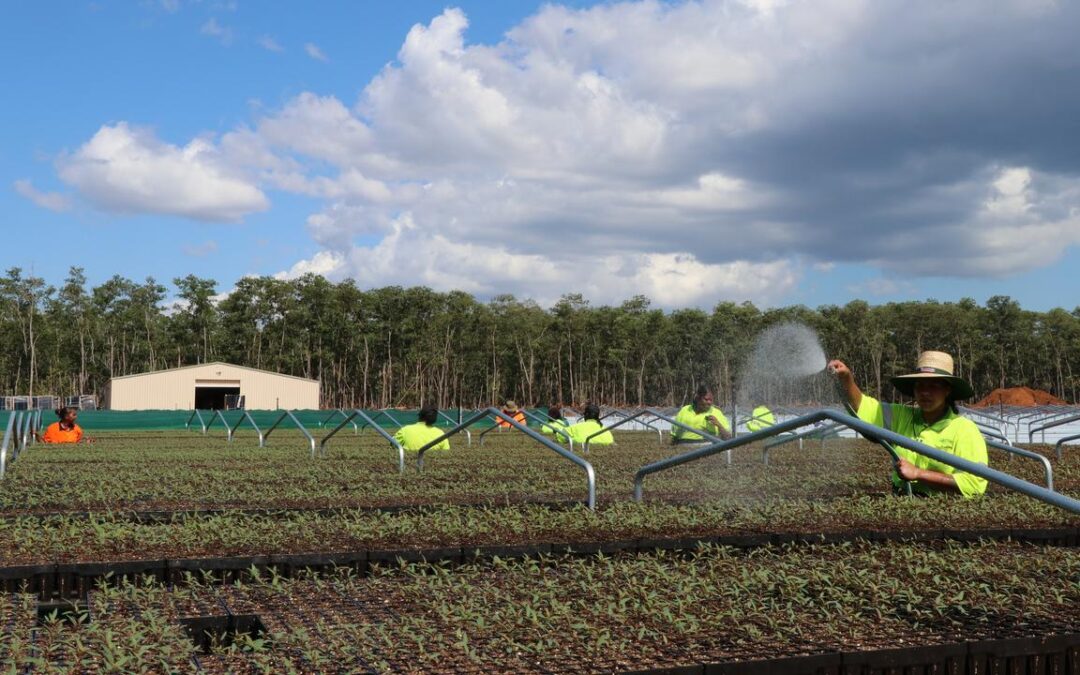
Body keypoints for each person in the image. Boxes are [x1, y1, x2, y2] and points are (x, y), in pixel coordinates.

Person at [829, 351, 988, 498]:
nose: (925, 392)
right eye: (919, 385)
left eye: (933, 386)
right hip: (902, 501)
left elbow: (974, 484)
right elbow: (863, 407)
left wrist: (919, 474)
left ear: (948, 390)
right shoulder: (902, 416)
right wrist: (846, 378)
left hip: (944, 510)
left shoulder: (965, 429)